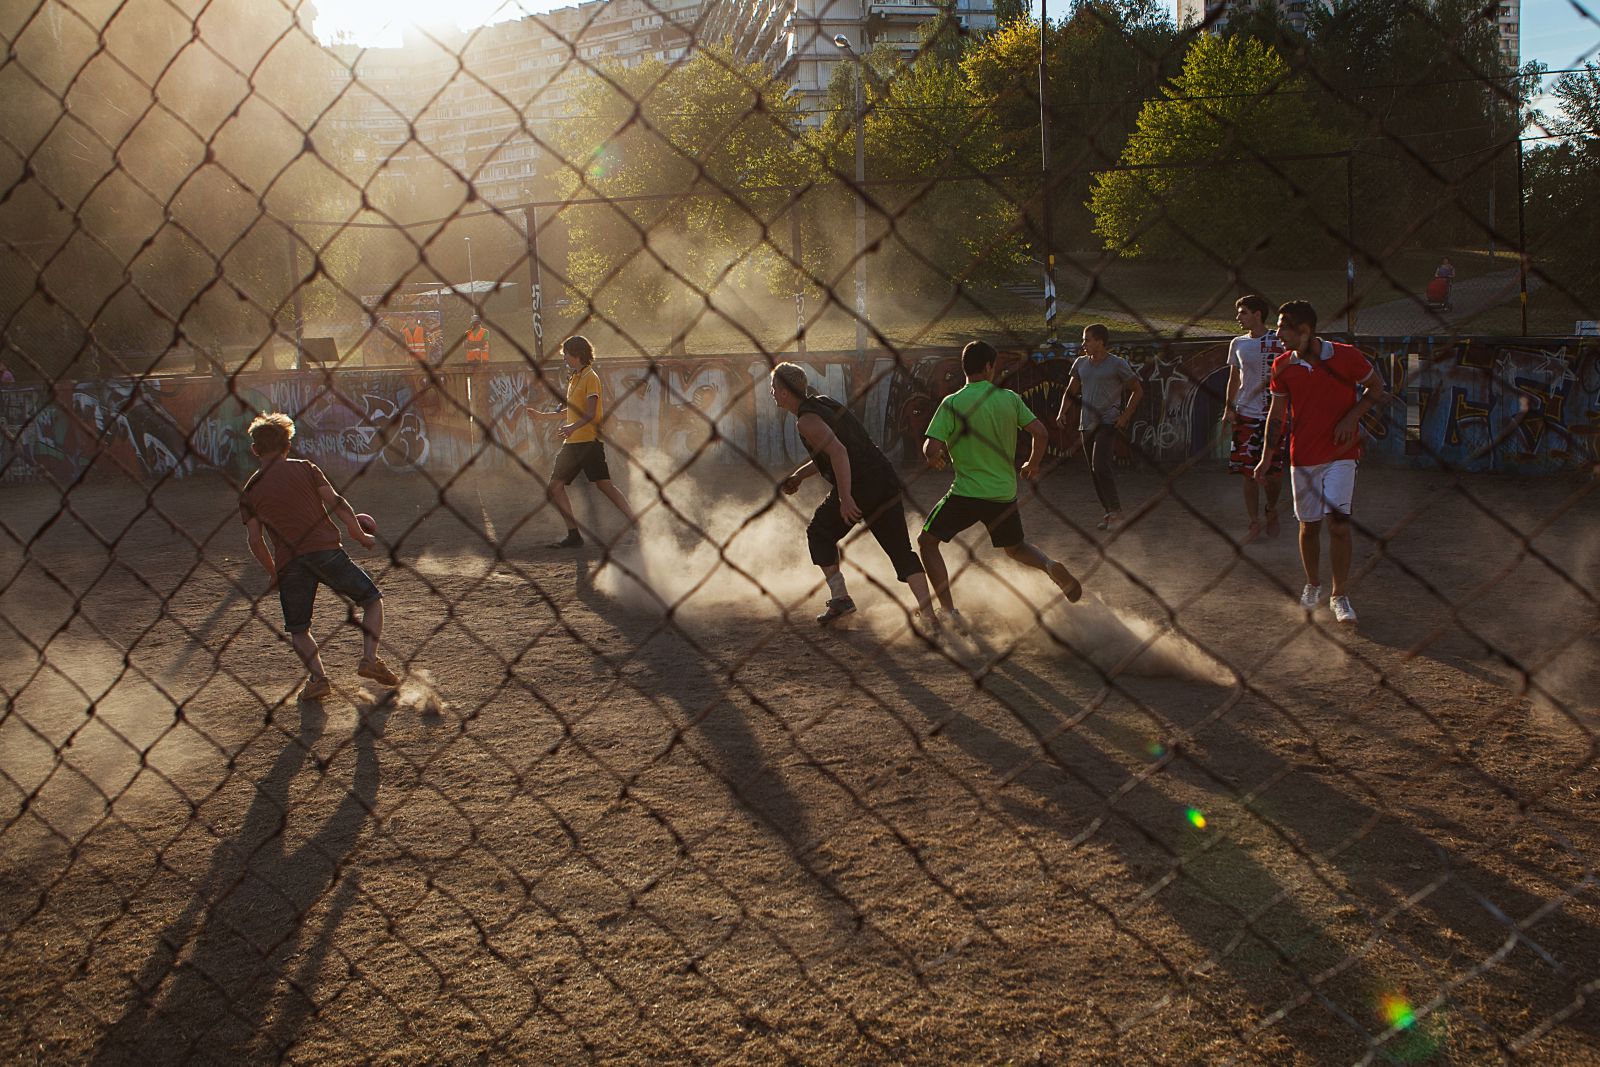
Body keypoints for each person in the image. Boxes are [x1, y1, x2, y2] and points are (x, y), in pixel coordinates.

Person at [919, 340, 1082, 629]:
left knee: (927, 543)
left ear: (965, 368)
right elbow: (1041, 433)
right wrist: (1033, 464)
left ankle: (948, 611)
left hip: (966, 493)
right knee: (1015, 547)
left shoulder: (953, 402)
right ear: (989, 367)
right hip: (1003, 493)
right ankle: (1048, 566)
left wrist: (935, 458)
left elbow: (931, 448)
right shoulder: (1008, 398)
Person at [240, 412, 399, 702]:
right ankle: (369, 658)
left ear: (254, 451)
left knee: (299, 628)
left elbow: (254, 539)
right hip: (325, 549)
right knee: (371, 600)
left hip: (290, 562)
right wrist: (358, 533)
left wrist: (273, 571)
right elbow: (336, 501)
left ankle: (318, 679)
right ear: (288, 446)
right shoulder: (305, 468)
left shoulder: (250, 490)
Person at [771, 363, 938, 629]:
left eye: (774, 388)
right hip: (884, 477)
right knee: (900, 550)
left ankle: (841, 598)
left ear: (784, 392)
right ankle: (929, 613)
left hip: (860, 486)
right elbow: (835, 451)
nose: (772, 392)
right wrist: (799, 476)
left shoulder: (806, 420)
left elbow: (838, 453)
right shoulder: (825, 403)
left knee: (819, 533)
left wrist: (846, 498)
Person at [1254, 300, 1387, 625]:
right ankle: (1313, 585)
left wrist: (1351, 419)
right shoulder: (1282, 365)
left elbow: (1377, 387)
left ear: (1305, 330)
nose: (1278, 333)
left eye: (1284, 326)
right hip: (1303, 457)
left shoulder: (1346, 355)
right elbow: (1277, 414)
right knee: (1308, 525)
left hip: (1342, 454)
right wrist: (1266, 456)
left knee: (1338, 524)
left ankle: (1339, 595)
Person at [525, 335, 635, 549]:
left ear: (577, 355)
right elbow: (573, 411)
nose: (564, 358)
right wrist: (542, 416)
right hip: (573, 443)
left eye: (566, 354)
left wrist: (571, 427)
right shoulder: (574, 378)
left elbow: (591, 413)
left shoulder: (590, 377)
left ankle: (637, 523)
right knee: (554, 488)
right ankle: (574, 535)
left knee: (605, 486)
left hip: (589, 442)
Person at [1058, 324, 1144, 531]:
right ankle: (1108, 512)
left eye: (1087, 340)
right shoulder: (1080, 364)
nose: (1083, 344)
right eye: (1083, 340)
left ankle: (1117, 512)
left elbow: (1137, 390)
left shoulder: (1117, 364)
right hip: (1086, 423)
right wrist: (1062, 412)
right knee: (1094, 471)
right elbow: (1071, 391)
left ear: (1100, 341)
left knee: (1101, 466)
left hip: (1108, 421)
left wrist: (1125, 416)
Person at [1221, 295, 1288, 542]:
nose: (1238, 317)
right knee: (1247, 472)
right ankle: (1253, 521)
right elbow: (1234, 378)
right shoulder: (1237, 343)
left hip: (1274, 414)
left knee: (1273, 471)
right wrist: (1229, 408)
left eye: (1243, 312)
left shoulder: (1278, 341)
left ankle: (1271, 509)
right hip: (1246, 413)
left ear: (1258, 314)